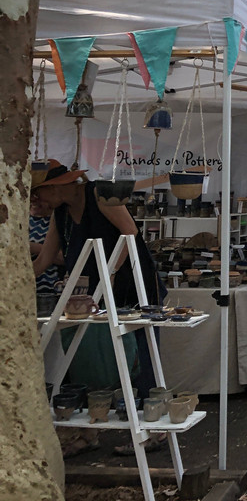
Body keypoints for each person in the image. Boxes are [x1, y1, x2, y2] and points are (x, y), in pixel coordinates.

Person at [32, 159, 167, 454]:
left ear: (56, 186)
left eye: (39, 192)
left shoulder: (99, 195)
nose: (37, 200)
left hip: (132, 284)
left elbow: (130, 232)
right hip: (93, 294)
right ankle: (87, 430)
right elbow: (44, 260)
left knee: (142, 355)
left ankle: (153, 430)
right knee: (84, 356)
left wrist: (110, 273)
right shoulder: (61, 213)